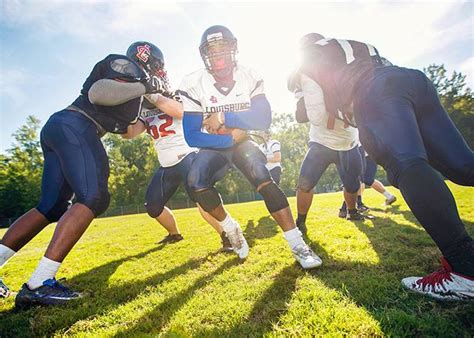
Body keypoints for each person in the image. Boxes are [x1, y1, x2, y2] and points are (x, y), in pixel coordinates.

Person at [297, 32, 474, 300]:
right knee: (464, 165)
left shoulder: (309, 62)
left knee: (408, 165)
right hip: (412, 80)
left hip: (373, 93)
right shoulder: (351, 44)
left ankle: (465, 269)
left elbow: (318, 116)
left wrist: (349, 112)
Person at [0, 42, 175, 307]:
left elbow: (127, 133)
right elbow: (98, 93)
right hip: (76, 126)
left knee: (51, 206)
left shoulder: (133, 90)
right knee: (94, 197)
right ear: (151, 63)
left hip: (63, 127)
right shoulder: (126, 67)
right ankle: (39, 283)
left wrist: (149, 111)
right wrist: (147, 86)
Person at [179, 25, 322, 268]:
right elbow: (192, 136)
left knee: (262, 176)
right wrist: (229, 138)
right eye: (212, 51)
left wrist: (223, 117)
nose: (218, 55)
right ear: (204, 55)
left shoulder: (249, 74)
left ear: (233, 49)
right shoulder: (193, 82)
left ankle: (297, 243)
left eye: (222, 48)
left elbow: (263, 118)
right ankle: (230, 228)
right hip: (215, 144)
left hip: (244, 143)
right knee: (196, 181)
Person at [122, 41, 232, 252]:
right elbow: (130, 133)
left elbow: (181, 112)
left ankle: (228, 236)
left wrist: (152, 93)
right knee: (152, 206)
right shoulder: (142, 107)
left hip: (188, 155)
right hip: (167, 164)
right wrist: (121, 113)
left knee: (202, 198)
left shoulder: (175, 94)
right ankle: (174, 234)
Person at [288, 70, 365, 233]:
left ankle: (352, 212)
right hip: (321, 142)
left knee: (352, 185)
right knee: (305, 183)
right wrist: (304, 87)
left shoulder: (350, 82)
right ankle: (300, 221)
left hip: (347, 143)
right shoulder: (314, 82)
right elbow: (301, 116)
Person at [339, 145, 397, 217]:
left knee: (361, 179)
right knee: (363, 179)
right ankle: (389, 196)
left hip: (366, 154)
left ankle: (349, 207)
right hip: (364, 154)